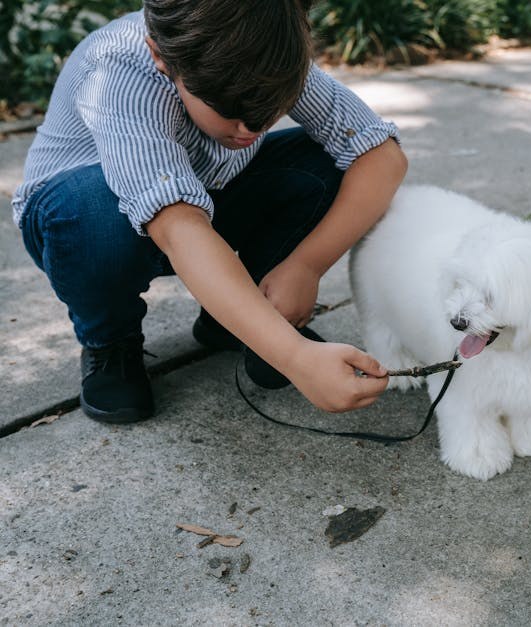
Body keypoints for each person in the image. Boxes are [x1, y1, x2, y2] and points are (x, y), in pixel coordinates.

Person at [12, 0, 406, 424]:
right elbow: (177, 225)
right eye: (233, 111)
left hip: (204, 200)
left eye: (270, 109)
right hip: (90, 229)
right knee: (90, 204)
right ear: (160, 58)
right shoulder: (117, 69)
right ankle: (110, 343)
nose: (252, 128)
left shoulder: (269, 49)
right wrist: (296, 357)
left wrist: (306, 265)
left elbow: (382, 157)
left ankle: (245, 319)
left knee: (327, 162)